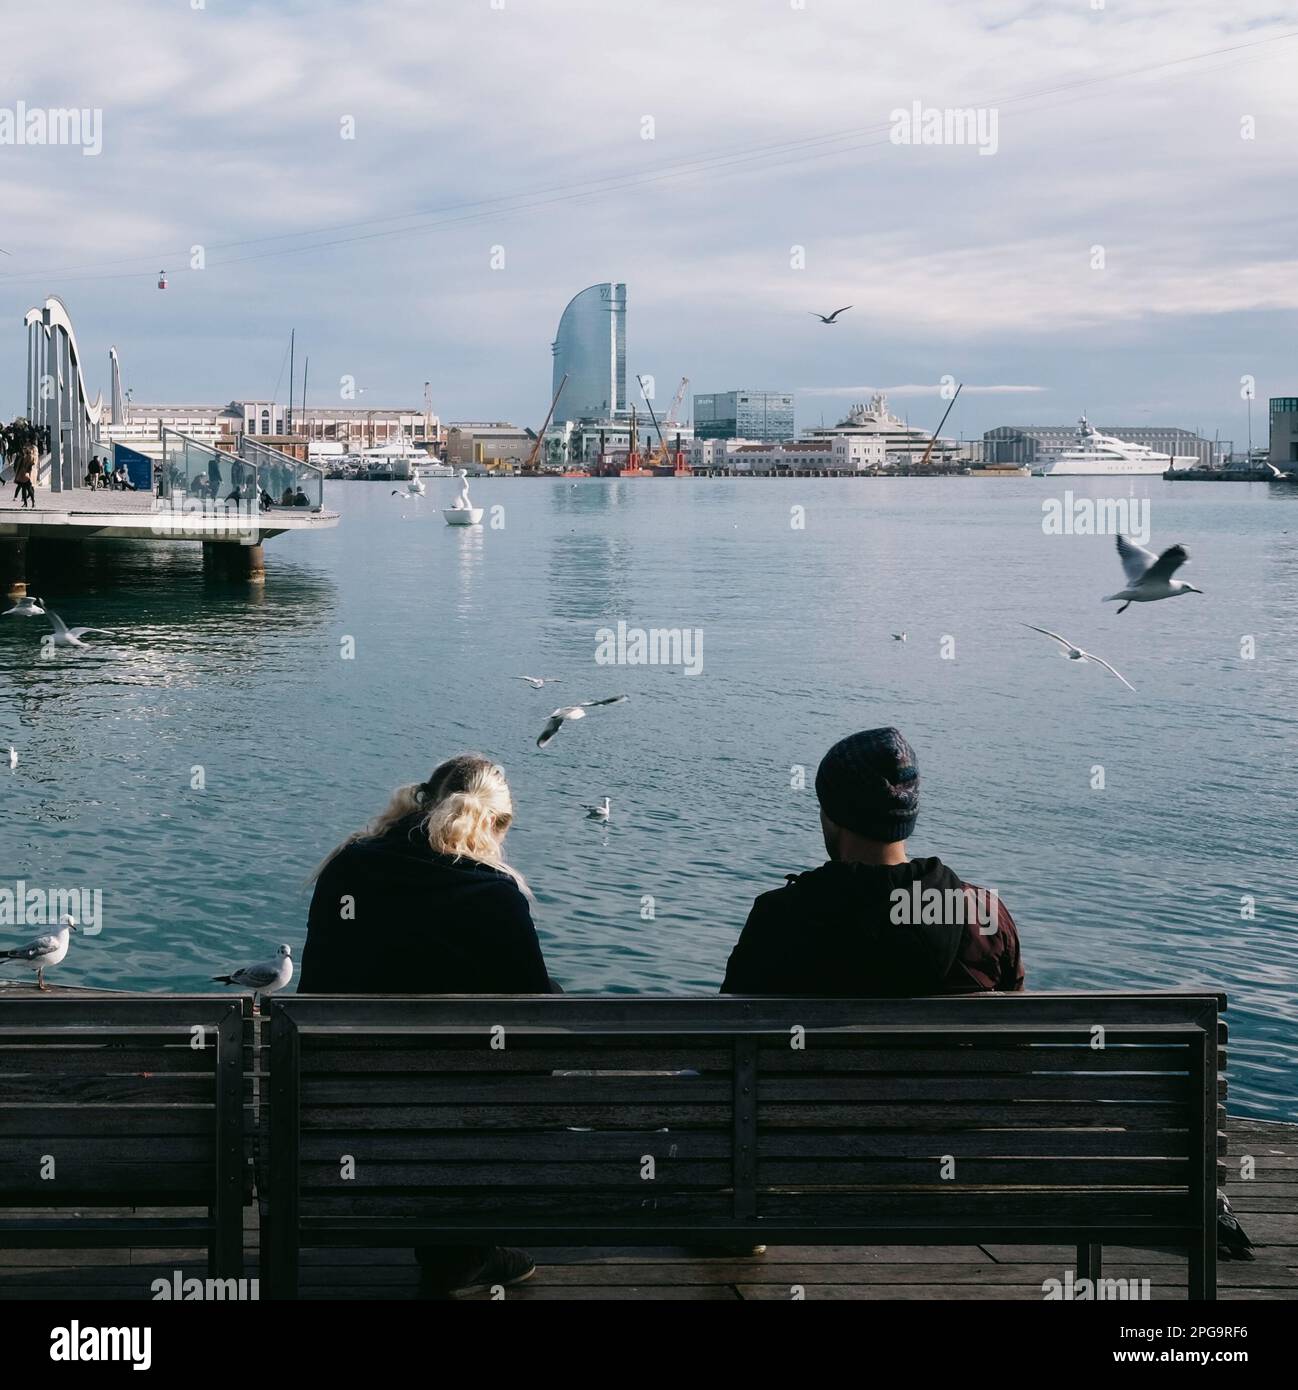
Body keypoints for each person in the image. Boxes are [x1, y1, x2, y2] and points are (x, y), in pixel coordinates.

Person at [300, 754, 555, 1297]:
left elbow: (319, 985)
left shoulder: (347, 865)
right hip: (459, 1115)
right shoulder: (494, 894)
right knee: (483, 1076)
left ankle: (450, 1249)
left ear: (423, 798)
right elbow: (533, 1018)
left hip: (337, 1102)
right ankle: (460, 1252)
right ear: (495, 823)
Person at [722, 727, 1024, 996]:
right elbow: (1017, 1037)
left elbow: (726, 1037)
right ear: (910, 814)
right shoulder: (983, 917)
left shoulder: (778, 920)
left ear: (833, 816)